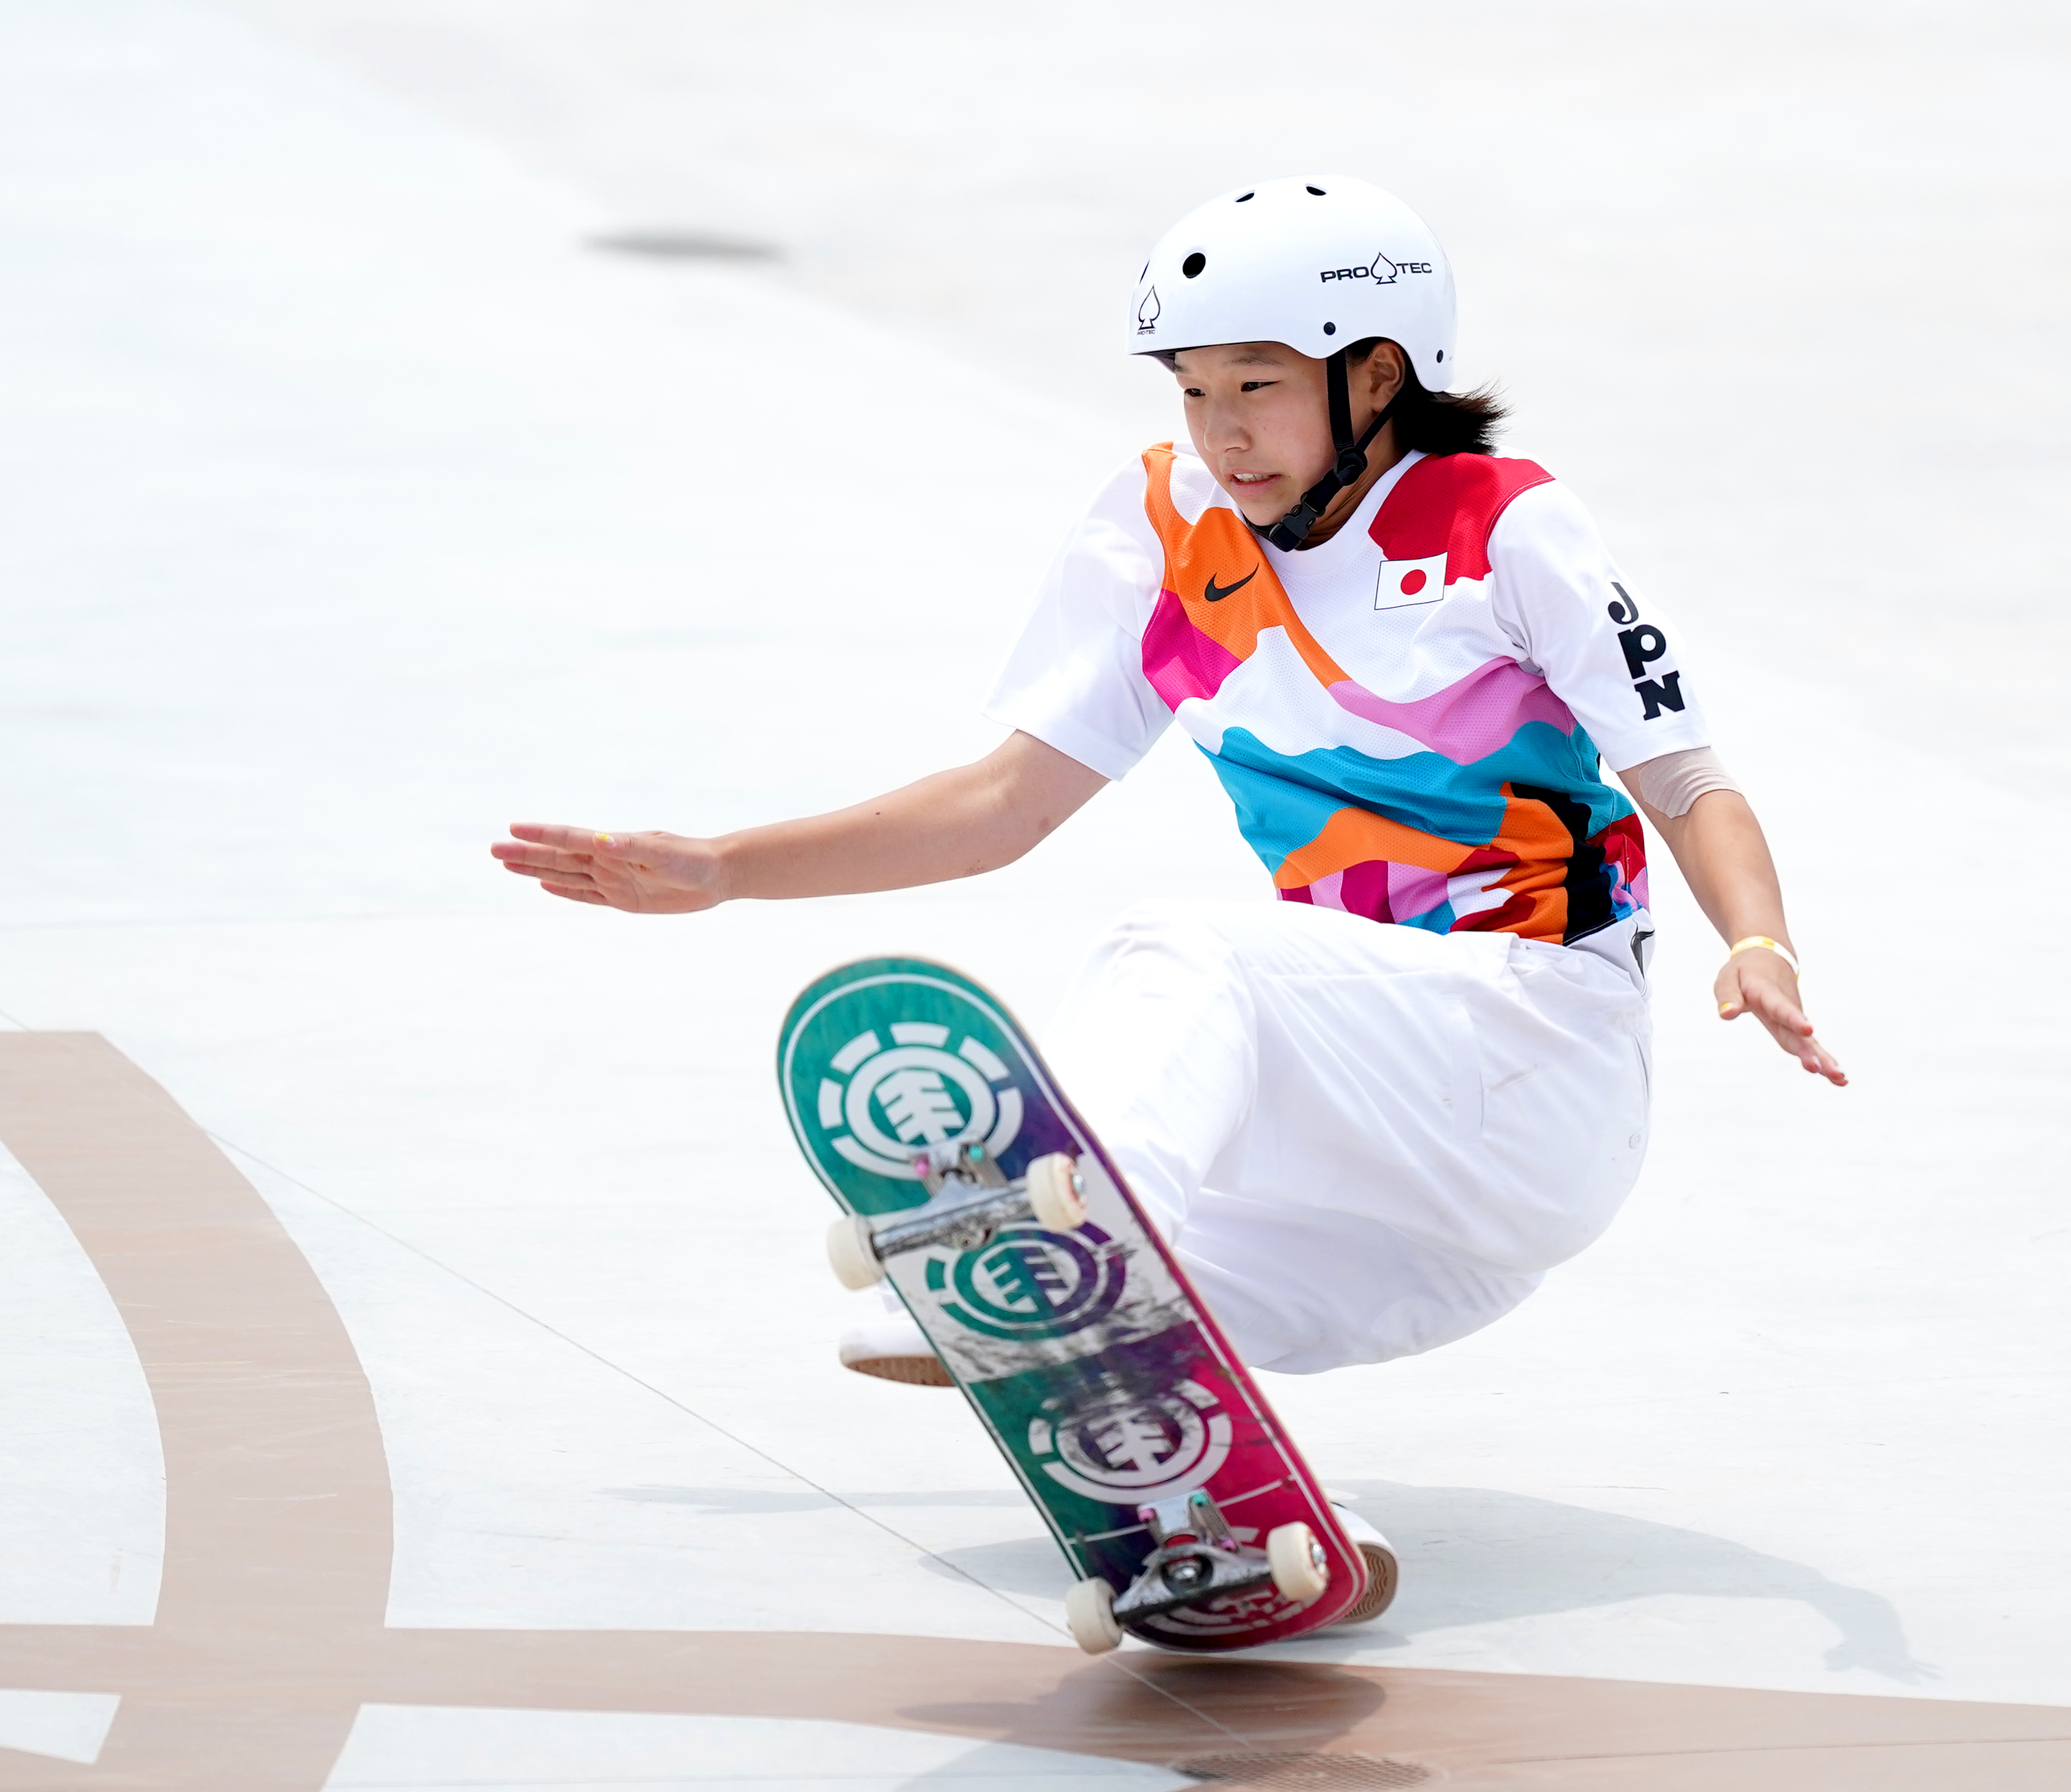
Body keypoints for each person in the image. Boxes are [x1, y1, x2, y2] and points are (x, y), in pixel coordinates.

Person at [493, 175, 1845, 1621]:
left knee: (1181, 957)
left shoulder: (1502, 527)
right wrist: (725, 870)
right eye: (1195, 390)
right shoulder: (1165, 532)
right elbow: (1005, 803)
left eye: (1258, 386)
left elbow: (1688, 778)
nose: (1222, 431)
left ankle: (1047, 1246)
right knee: (1126, 1304)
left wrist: (1755, 941)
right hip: (1401, 1203)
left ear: (1377, 376)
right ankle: (1226, 1527)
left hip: (1536, 1062)